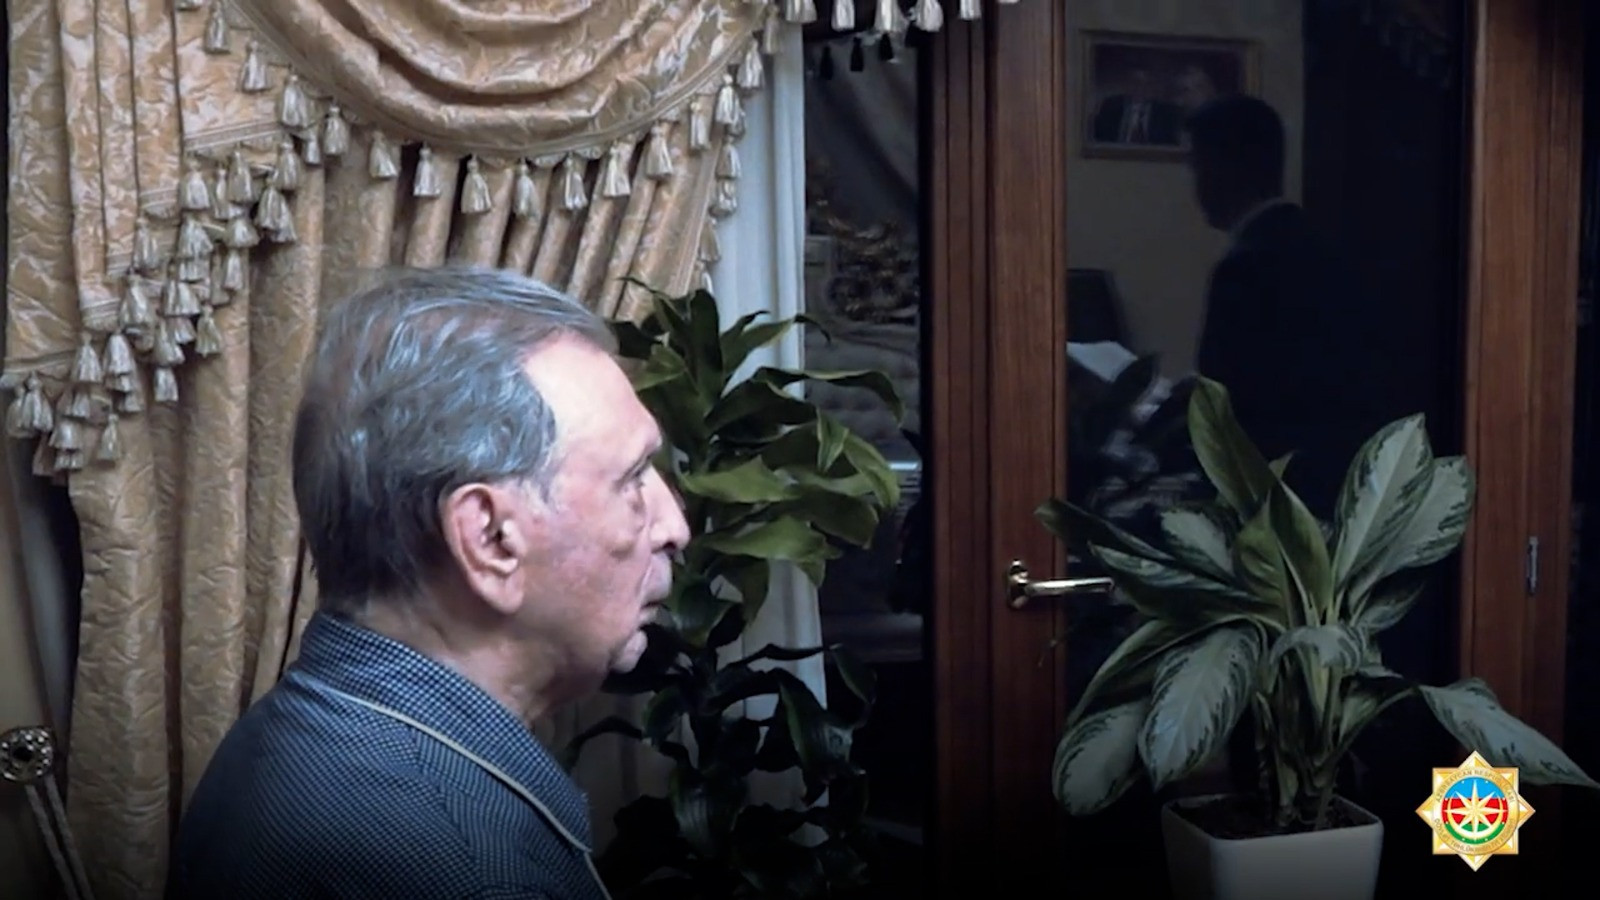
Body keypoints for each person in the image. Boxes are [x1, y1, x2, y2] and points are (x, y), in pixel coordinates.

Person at [166, 266, 690, 899]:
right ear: (491, 540)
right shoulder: (473, 872)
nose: (674, 526)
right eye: (631, 479)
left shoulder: (295, 734)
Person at [1186, 94, 1395, 517]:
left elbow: (1228, 411)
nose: (1196, 184)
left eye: (1199, 165)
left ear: (1230, 166)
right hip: (1336, 481)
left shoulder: (1246, 265)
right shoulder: (1320, 245)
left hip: (1273, 490)